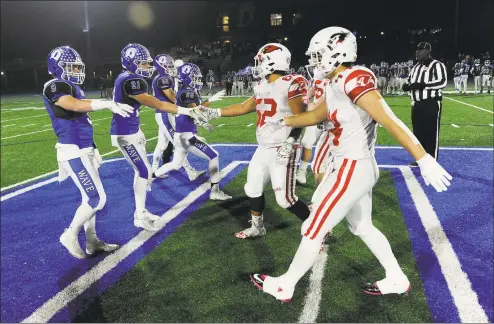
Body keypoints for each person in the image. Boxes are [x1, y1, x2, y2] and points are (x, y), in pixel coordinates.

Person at [248, 27, 452, 301]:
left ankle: (286, 284)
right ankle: (396, 278)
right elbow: (314, 117)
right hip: (352, 166)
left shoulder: (354, 78)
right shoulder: (335, 83)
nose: (315, 61)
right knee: (362, 227)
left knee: (312, 227)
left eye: (319, 55)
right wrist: (281, 121)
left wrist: (423, 158)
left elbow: (389, 119)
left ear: (337, 51)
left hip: (352, 167)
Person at [196, 43, 312, 239]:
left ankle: (318, 228)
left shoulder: (293, 81)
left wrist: (291, 141)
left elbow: (302, 116)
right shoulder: (262, 86)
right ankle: (258, 227)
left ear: (271, 61)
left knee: (285, 199)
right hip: (264, 148)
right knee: (252, 188)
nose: (257, 64)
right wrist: (214, 112)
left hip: (283, 147)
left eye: (260, 60)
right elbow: (242, 107)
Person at [43, 46, 134, 259]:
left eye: (77, 66)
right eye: (71, 66)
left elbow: (82, 120)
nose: (75, 70)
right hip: (72, 149)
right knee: (96, 199)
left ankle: (92, 242)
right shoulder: (54, 85)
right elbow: (72, 105)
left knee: (90, 197)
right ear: (57, 67)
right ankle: (70, 234)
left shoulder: (71, 86)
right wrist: (106, 104)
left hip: (84, 148)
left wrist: (93, 147)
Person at [111, 43, 205, 232]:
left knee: (144, 170)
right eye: (143, 64)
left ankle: (141, 211)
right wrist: (186, 109)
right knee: (144, 171)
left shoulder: (130, 78)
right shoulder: (130, 80)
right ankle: (140, 214)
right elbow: (157, 104)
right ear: (130, 62)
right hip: (124, 134)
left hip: (131, 131)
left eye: (147, 64)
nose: (147, 67)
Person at [152, 63, 232, 201]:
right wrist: (210, 102)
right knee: (214, 156)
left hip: (180, 136)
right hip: (186, 137)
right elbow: (196, 111)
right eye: (195, 77)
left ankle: (151, 177)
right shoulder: (188, 92)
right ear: (187, 77)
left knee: (176, 164)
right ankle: (215, 191)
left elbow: (192, 112)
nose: (198, 80)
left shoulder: (183, 91)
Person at [150, 54, 205, 181]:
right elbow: (173, 98)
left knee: (162, 144)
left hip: (162, 113)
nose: (171, 67)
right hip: (165, 113)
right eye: (168, 65)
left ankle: (152, 171)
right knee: (178, 144)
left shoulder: (160, 77)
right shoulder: (163, 78)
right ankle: (190, 172)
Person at [403, 42, 447, 164]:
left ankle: (432, 160)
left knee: (431, 133)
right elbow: (410, 81)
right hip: (416, 104)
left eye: (420, 50)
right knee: (418, 133)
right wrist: (407, 86)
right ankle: (422, 159)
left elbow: (442, 82)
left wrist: (424, 85)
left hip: (431, 103)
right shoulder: (416, 67)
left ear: (428, 51)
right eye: (416, 50)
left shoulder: (437, 65)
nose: (417, 52)